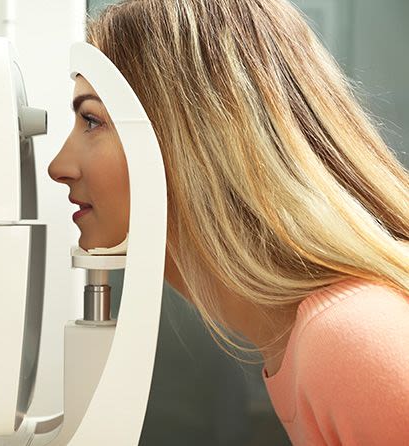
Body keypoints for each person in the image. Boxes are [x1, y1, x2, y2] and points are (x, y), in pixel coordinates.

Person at [47, 0, 409, 444]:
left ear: (196, 135)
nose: (59, 166)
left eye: (91, 120)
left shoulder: (352, 341)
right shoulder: (309, 344)